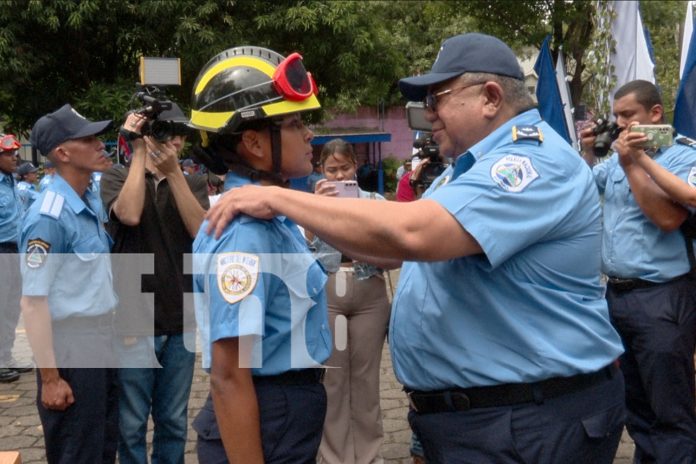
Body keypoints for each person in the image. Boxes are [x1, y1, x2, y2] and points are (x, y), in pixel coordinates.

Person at [205, 32, 626, 463]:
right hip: (494, 419)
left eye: (437, 98)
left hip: (530, 420)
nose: (427, 115)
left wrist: (280, 199)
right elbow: (391, 250)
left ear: (491, 97)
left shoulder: (528, 164)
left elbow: (413, 234)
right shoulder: (463, 171)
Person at [189, 45, 331, 464]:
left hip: (281, 412)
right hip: (266, 413)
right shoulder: (245, 234)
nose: (309, 135)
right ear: (252, 141)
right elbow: (229, 375)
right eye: (294, 123)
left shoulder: (271, 215)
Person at [580, 79, 696, 463]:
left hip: (662, 298)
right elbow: (580, 186)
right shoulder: (616, 160)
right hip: (616, 296)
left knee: (670, 410)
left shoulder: (681, 157)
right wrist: (587, 152)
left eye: (628, 115)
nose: (620, 123)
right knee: (636, 408)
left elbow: (667, 217)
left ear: (655, 114)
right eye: (616, 116)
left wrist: (636, 162)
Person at [100, 104, 209, 464]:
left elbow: (202, 233)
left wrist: (174, 175)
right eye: (164, 132)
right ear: (145, 136)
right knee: (130, 424)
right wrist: (139, 155)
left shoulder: (192, 181)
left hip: (181, 318)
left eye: (178, 134)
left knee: (174, 422)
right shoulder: (117, 177)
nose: (173, 141)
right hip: (134, 319)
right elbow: (129, 214)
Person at [21, 104, 118, 464]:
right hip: (71, 348)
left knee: (104, 445)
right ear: (62, 152)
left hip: (100, 341)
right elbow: (32, 303)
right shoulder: (49, 216)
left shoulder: (87, 199)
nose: (100, 144)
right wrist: (50, 378)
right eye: (89, 139)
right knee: (77, 451)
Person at [311, 139, 390, 464]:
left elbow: (391, 247)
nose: (339, 174)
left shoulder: (375, 200)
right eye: (332, 169)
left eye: (345, 167)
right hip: (330, 290)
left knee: (366, 380)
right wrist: (315, 210)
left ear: (355, 166)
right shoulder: (313, 202)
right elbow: (306, 252)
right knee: (333, 379)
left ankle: (369, 456)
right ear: (321, 170)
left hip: (368, 290)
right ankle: (334, 457)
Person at [0, 133, 31, 383]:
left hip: (16, 251)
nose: (14, 158)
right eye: (8, 154)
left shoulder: (11, 181)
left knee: (11, 309)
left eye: (14, 153)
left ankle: (6, 357)